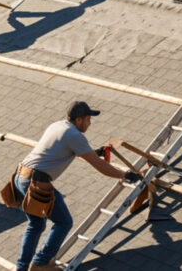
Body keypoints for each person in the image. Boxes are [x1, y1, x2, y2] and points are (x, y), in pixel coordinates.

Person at [13, 101, 140, 271]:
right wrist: (124, 175)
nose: (90, 123)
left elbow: (69, 150)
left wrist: (96, 151)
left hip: (20, 176)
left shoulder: (57, 126)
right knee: (64, 222)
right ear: (79, 119)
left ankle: (22, 268)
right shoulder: (74, 135)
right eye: (88, 119)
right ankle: (40, 264)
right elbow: (101, 167)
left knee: (36, 225)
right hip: (36, 183)